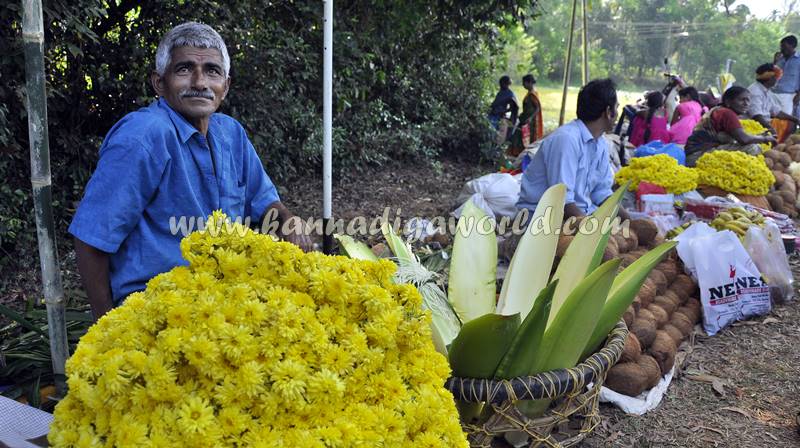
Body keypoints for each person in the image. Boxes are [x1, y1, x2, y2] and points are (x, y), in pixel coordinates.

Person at [69, 22, 312, 320]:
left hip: (227, 297)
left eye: (212, 71)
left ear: (226, 86)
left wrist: (288, 220)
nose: (200, 82)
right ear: (160, 83)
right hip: (157, 308)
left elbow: (264, 202)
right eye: (184, 69)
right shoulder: (143, 137)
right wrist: (106, 326)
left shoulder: (230, 133)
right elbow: (92, 238)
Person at [517, 78, 629, 221]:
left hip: (578, 216)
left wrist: (630, 221)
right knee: (609, 240)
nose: (617, 114)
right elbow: (562, 202)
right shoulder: (566, 140)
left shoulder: (600, 142)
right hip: (543, 218)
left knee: (630, 236)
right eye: (616, 107)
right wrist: (590, 231)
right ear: (608, 112)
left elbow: (601, 192)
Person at [684, 86, 777, 167]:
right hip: (697, 156)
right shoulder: (727, 113)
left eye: (748, 100)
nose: (746, 103)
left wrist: (759, 136)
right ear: (728, 102)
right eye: (742, 100)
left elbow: (731, 136)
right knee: (752, 148)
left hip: (693, 155)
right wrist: (765, 139)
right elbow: (744, 139)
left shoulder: (718, 110)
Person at [747, 63, 799, 138]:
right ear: (770, 78)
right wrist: (770, 128)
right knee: (789, 125)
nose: (777, 81)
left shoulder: (766, 91)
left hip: (767, 122)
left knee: (791, 122)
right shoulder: (755, 92)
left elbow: (776, 111)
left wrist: (796, 119)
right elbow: (757, 116)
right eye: (776, 78)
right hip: (756, 124)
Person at [508, 74, 543, 156]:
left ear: (530, 82)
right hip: (525, 118)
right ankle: (520, 154)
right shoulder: (530, 93)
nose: (523, 85)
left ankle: (522, 155)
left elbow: (538, 108)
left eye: (524, 83)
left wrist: (530, 118)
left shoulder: (532, 94)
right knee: (520, 136)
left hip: (529, 121)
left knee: (523, 138)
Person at [774, 35, 800, 131]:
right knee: (773, 117)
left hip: (789, 95)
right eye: (781, 47)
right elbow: (771, 73)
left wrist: (798, 95)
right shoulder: (779, 58)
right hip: (774, 92)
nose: (782, 49)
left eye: (784, 46)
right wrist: (775, 61)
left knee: (786, 120)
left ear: (792, 45)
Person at [488, 76, 519, 143]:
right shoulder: (501, 92)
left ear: (505, 84)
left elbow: (514, 107)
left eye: (501, 84)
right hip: (493, 114)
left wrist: (504, 111)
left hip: (498, 116)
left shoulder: (510, 94)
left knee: (493, 132)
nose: (500, 85)